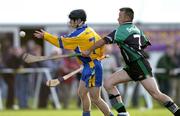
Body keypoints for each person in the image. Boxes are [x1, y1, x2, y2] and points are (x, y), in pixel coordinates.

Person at [82, 7, 180, 116]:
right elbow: (143, 44)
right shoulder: (136, 29)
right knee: (108, 84)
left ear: (126, 17)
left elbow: (104, 41)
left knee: (156, 94)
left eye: (120, 16)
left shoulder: (121, 30)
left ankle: (177, 111)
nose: (117, 19)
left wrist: (89, 50)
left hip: (140, 66)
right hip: (131, 67)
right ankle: (123, 113)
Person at [33, 9, 114, 116]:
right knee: (82, 93)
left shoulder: (78, 34)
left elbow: (60, 42)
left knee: (96, 98)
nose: (70, 22)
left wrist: (45, 36)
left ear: (79, 21)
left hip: (93, 67)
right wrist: (99, 56)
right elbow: (100, 44)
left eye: (72, 20)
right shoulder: (90, 30)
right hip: (89, 65)